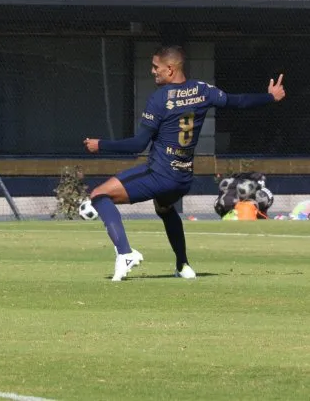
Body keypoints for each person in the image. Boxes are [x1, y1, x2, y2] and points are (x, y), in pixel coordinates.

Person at [84, 45, 286, 281]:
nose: (152, 71)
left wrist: (101, 145)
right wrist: (270, 97)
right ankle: (183, 265)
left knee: (99, 195)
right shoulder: (203, 91)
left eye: (155, 67)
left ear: (170, 69)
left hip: (160, 175)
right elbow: (237, 101)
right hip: (183, 179)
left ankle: (125, 253)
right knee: (165, 208)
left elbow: (138, 145)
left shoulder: (160, 99)